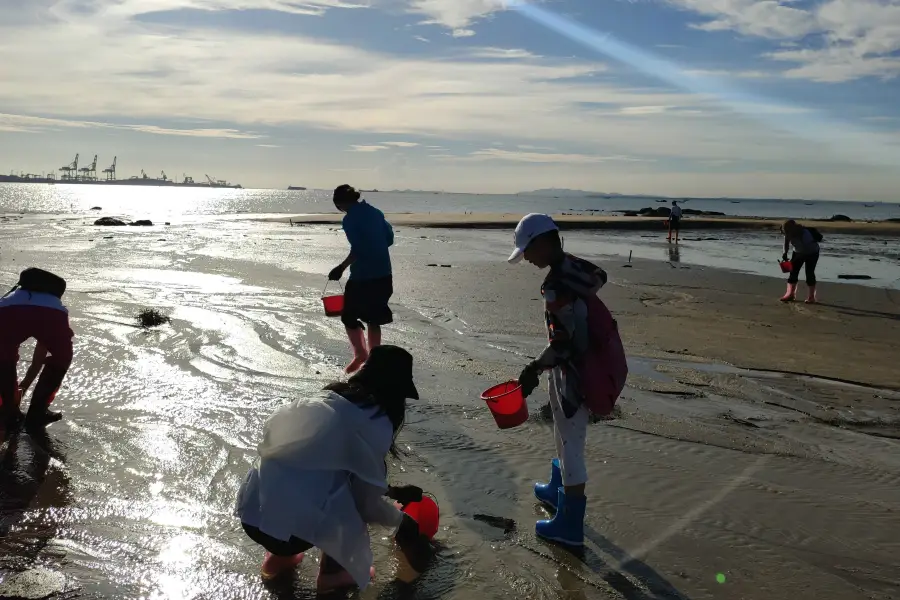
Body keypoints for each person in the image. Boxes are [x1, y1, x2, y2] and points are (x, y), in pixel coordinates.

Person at [234, 345, 432, 591]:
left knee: (300, 488)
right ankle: (334, 577)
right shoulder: (377, 422)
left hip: (253, 513)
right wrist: (402, 522)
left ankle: (278, 563)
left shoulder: (327, 398)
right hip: (290, 533)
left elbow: (318, 470)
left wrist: (390, 492)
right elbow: (366, 505)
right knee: (349, 507)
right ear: (396, 393)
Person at [508, 214, 607, 547]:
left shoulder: (555, 286)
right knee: (563, 432)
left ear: (543, 242)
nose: (528, 259)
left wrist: (534, 368)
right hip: (580, 365)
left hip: (574, 375)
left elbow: (562, 342)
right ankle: (556, 488)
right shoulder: (576, 269)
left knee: (572, 446)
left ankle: (570, 526)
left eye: (528, 251)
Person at [328, 185, 395, 374]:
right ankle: (373, 360)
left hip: (363, 276)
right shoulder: (375, 212)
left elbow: (358, 248)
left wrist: (341, 268)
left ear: (339, 203)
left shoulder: (350, 219)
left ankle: (360, 355)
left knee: (349, 315)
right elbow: (389, 239)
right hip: (383, 272)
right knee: (374, 318)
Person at [0, 268, 74, 429]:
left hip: (7, 311)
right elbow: (42, 349)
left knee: (3, 356)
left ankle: (7, 409)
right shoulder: (55, 307)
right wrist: (27, 382)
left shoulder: (8, 300)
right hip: (52, 314)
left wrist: (22, 386)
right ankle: (38, 412)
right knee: (62, 357)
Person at [780, 219, 820, 304]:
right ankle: (790, 294)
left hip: (812, 252)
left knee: (809, 273)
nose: (786, 234)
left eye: (787, 232)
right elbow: (786, 244)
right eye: (785, 232)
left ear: (793, 229)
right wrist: (785, 253)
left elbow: (807, 246)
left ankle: (811, 297)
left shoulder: (805, 233)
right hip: (797, 252)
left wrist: (800, 257)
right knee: (793, 273)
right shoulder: (787, 234)